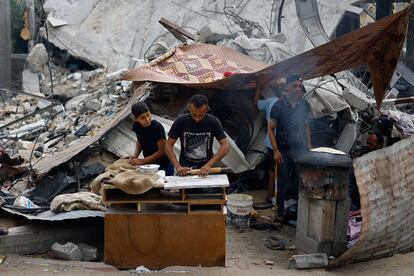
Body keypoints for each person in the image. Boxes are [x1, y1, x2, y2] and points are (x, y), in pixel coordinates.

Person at [268, 73, 312, 221]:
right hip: (284, 150)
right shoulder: (278, 106)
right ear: (287, 87)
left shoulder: (305, 105)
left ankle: (299, 212)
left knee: (301, 181)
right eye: (295, 86)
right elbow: (270, 129)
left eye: (300, 86)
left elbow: (306, 125)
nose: (298, 89)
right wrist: (275, 150)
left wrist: (309, 144)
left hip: (300, 149)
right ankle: (280, 213)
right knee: (283, 182)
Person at [165, 94, 230, 177]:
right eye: (194, 114)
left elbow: (226, 146)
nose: (197, 119)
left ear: (206, 109)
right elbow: (168, 145)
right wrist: (178, 166)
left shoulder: (213, 122)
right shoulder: (180, 121)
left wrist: (209, 164)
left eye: (201, 115)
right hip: (185, 170)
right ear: (189, 108)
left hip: (206, 170)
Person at [128, 102, 174, 176]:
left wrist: (143, 161)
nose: (147, 119)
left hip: (164, 165)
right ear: (136, 119)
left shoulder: (157, 127)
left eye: (148, 115)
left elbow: (162, 151)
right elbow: (140, 140)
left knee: (164, 185)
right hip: (149, 165)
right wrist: (135, 155)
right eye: (142, 117)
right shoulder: (136, 126)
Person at [254, 82, 281, 203]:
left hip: (272, 143)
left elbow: (256, 102)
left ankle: (271, 195)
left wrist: (258, 86)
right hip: (278, 143)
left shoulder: (270, 101)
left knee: (273, 170)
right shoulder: (277, 101)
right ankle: (272, 195)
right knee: (276, 170)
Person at [349, 132, 384, 210]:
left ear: (379, 145)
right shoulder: (363, 154)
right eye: (367, 143)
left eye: (371, 144)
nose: (368, 146)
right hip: (356, 198)